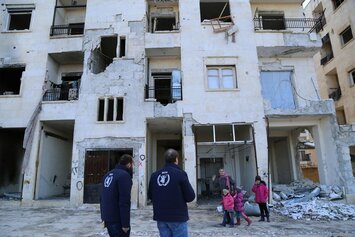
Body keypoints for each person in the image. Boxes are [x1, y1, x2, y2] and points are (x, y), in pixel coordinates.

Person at [148, 148, 196, 237]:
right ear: (176, 159)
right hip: (177, 217)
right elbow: (190, 197)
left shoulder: (154, 175)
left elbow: (150, 195)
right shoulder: (180, 174)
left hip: (160, 217)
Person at [100, 154, 134, 237]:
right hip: (117, 220)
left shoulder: (107, 175)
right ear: (129, 164)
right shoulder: (124, 176)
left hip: (108, 218)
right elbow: (124, 201)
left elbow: (101, 197)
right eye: (133, 164)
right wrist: (125, 224)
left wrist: (103, 217)